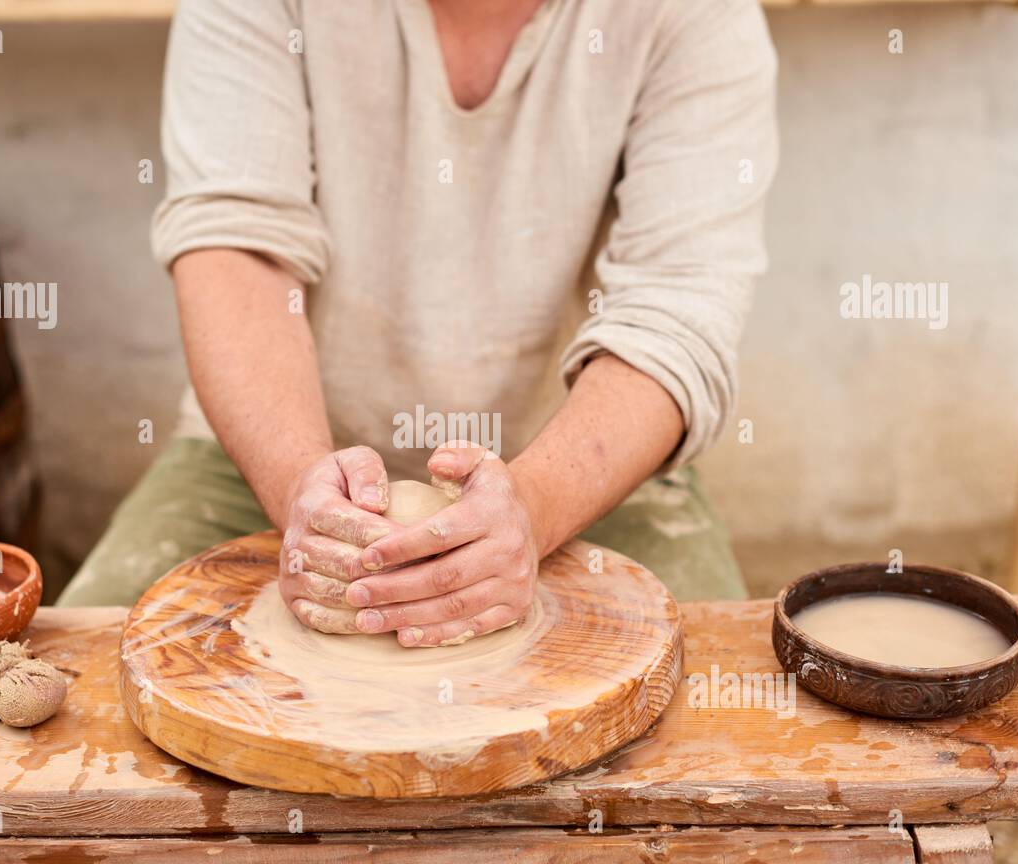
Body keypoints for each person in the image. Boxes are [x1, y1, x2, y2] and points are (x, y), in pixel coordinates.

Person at [59, 0, 779, 648]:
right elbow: (238, 250)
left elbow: (675, 308)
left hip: (581, 466)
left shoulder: (696, 15)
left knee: (708, 718)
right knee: (82, 688)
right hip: (264, 455)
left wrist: (530, 508)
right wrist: (297, 489)